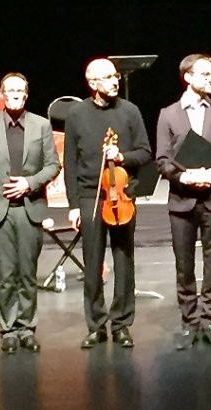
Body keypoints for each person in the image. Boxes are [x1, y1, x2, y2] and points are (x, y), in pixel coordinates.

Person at [155, 54, 211, 350]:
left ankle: (210, 320)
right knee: (184, 265)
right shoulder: (168, 114)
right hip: (182, 200)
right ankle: (189, 321)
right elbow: (163, 161)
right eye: (205, 74)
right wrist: (185, 178)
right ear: (188, 77)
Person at [64, 58, 152, 349]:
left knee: (124, 260)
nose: (115, 81)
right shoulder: (76, 114)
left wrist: (122, 157)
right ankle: (96, 324)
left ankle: (122, 323)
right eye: (108, 77)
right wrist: (74, 204)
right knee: (92, 264)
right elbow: (71, 163)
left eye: (115, 76)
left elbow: (145, 153)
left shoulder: (130, 111)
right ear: (92, 83)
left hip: (123, 194)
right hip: (91, 195)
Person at [0, 73, 61, 354]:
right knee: (5, 274)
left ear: (26, 94)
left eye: (19, 91)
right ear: (1, 94)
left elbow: (53, 165)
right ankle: (9, 329)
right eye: (9, 90)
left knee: (27, 272)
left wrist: (29, 183)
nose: (14, 95)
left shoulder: (41, 125)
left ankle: (27, 328)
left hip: (29, 209)